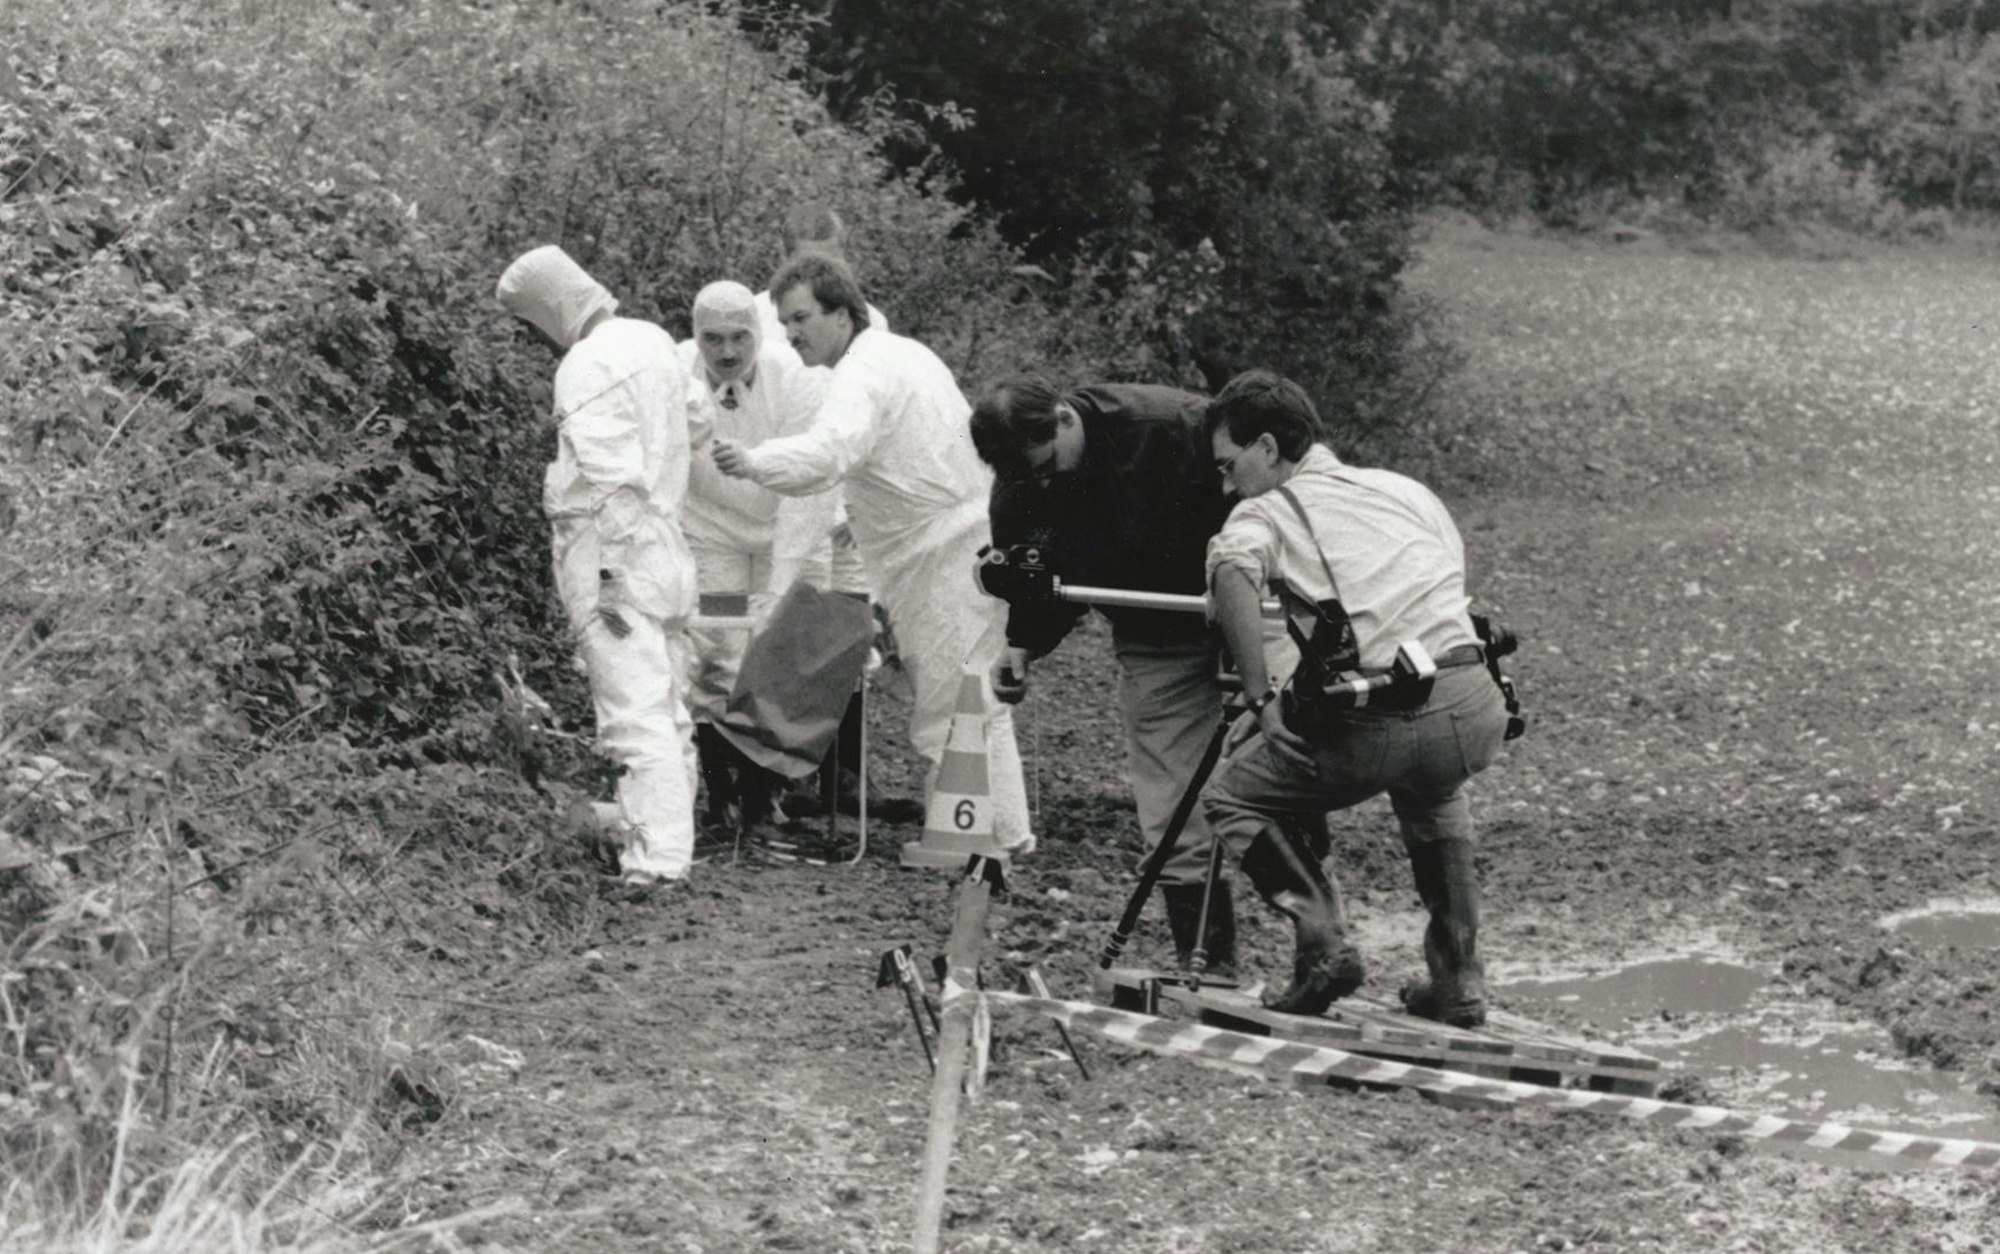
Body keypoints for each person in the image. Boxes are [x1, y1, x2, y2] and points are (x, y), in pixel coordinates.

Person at [1199, 370, 1509, 1026]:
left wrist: (1260, 698)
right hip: (1472, 703)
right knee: (1436, 792)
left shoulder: (1265, 512)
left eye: (1229, 465)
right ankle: (1459, 980)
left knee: (1232, 796)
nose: (1227, 484)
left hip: (1380, 720)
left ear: (1266, 447)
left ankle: (1324, 945)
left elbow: (1231, 571)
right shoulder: (1405, 490)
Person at [711, 252, 1032, 851]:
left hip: (943, 557)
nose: (792, 334)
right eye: (785, 323)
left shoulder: (861, 372)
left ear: (842, 313)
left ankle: (974, 843)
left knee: (952, 710)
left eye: (802, 318)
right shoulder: (903, 353)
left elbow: (831, 452)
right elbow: (901, 461)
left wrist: (755, 462)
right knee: (977, 702)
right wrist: (857, 518)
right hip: (957, 545)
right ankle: (1004, 836)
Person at [970, 377, 1240, 970]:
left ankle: (1320, 947)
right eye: (1027, 478)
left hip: (1245, 618)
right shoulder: (1020, 482)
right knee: (1171, 806)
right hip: (1153, 635)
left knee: (1286, 778)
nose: (1042, 485)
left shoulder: (1175, 429)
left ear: (1064, 418)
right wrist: (1022, 644)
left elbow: (1266, 502)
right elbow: (1038, 574)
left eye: (1047, 468)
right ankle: (1208, 965)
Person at [496, 245, 699, 886]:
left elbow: (614, 482)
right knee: (667, 708)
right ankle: (668, 840)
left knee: (633, 711)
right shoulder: (654, 341)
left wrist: (609, 580)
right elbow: (695, 422)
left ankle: (657, 860)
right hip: (664, 549)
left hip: (617, 554)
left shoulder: (587, 363)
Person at [678, 280, 834, 837]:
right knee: (717, 649)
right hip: (709, 529)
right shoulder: (674, 372)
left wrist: (787, 575)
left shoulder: (795, 376)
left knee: (778, 651)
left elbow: (811, 478)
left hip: (780, 527)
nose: (727, 352)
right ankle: (719, 795)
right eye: (713, 339)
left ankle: (763, 797)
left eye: (739, 338)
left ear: (758, 334)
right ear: (695, 335)